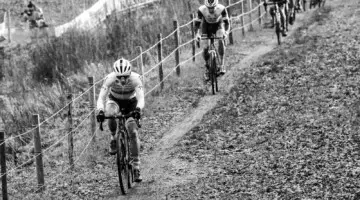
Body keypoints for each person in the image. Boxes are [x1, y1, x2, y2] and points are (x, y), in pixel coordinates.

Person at [96, 58, 145, 182]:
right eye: (119, 77)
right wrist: (100, 110)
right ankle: (113, 137)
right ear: (115, 75)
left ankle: (136, 166)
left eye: (125, 77)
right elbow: (101, 97)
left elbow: (141, 98)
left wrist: (138, 109)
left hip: (131, 102)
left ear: (129, 74)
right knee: (110, 114)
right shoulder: (110, 78)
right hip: (115, 100)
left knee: (132, 132)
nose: (122, 80)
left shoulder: (135, 79)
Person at [194, 0, 230, 81]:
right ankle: (207, 68)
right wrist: (197, 35)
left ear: (216, 6)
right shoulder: (201, 10)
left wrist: (226, 33)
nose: (211, 10)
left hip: (218, 25)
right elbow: (197, 24)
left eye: (212, 8)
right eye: (209, 8)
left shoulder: (222, 8)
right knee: (205, 47)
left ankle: (222, 65)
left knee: (221, 40)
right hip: (206, 26)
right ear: (206, 7)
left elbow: (227, 22)